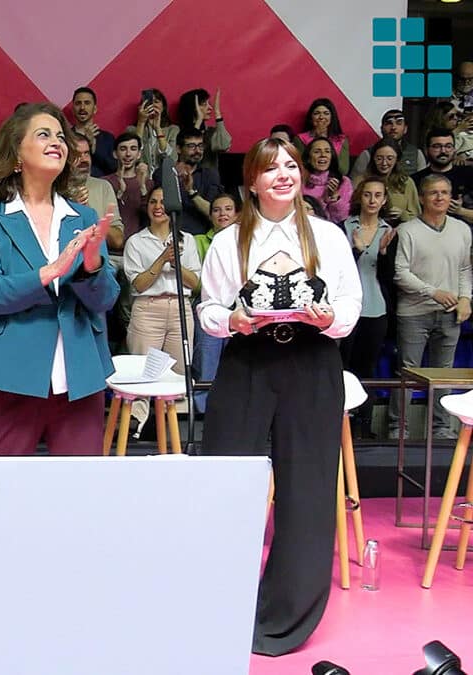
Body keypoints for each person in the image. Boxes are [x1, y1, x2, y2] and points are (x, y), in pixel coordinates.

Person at [197, 137, 360, 656]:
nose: (284, 175)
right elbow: (208, 311)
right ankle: (219, 603)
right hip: (247, 364)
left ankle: (284, 619)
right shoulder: (228, 241)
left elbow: (350, 305)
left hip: (311, 365)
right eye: (271, 169)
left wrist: (329, 317)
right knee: (229, 482)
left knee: (307, 492)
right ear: (252, 182)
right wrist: (232, 320)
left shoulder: (328, 237)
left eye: (291, 165)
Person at [0, 102, 118, 456]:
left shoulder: (83, 216)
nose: (56, 141)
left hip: (79, 377)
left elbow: (105, 300)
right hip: (7, 376)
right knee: (5, 491)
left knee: (80, 493)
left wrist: (91, 269)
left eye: (60, 136)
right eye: (43, 134)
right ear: (16, 152)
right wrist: (49, 272)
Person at [389, 174, 472, 441]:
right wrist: (433, 292)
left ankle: (442, 430)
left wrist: (465, 298)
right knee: (408, 372)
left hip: (450, 313)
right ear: (422, 198)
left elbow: (464, 268)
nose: (440, 198)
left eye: (445, 193)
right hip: (414, 312)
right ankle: (398, 430)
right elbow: (400, 273)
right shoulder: (407, 230)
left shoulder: (462, 229)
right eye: (434, 193)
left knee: (444, 375)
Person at [123, 187, 201, 433]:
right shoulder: (136, 241)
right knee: (144, 368)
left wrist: (175, 261)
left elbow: (196, 283)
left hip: (180, 306)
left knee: (179, 369)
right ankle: (137, 427)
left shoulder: (186, 240)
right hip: (148, 308)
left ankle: (176, 431)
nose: (158, 207)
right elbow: (138, 283)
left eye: (163, 202)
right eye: (153, 202)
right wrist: (161, 259)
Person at [340, 177, 395, 436]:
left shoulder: (390, 232)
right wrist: (357, 250)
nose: (372, 200)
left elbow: (390, 276)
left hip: (376, 308)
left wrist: (383, 253)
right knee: (344, 366)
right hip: (348, 308)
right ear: (359, 197)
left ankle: (364, 425)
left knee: (368, 368)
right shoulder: (344, 228)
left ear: (384, 200)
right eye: (367, 195)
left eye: (378, 195)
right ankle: (342, 423)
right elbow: (337, 270)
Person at [190, 193, 237, 414]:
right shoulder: (199, 241)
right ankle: (204, 411)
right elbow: (199, 280)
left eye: (228, 209)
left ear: (237, 214)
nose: (222, 214)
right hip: (209, 305)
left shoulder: (246, 240)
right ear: (210, 215)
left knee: (237, 360)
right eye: (217, 210)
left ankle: (233, 409)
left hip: (240, 308)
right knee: (207, 358)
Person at [297, 98, 350, 176]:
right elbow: (301, 167)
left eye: (326, 113)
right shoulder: (300, 139)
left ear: (332, 117)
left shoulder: (341, 140)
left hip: (334, 181)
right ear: (311, 118)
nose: (321, 117)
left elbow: (343, 170)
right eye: (317, 113)